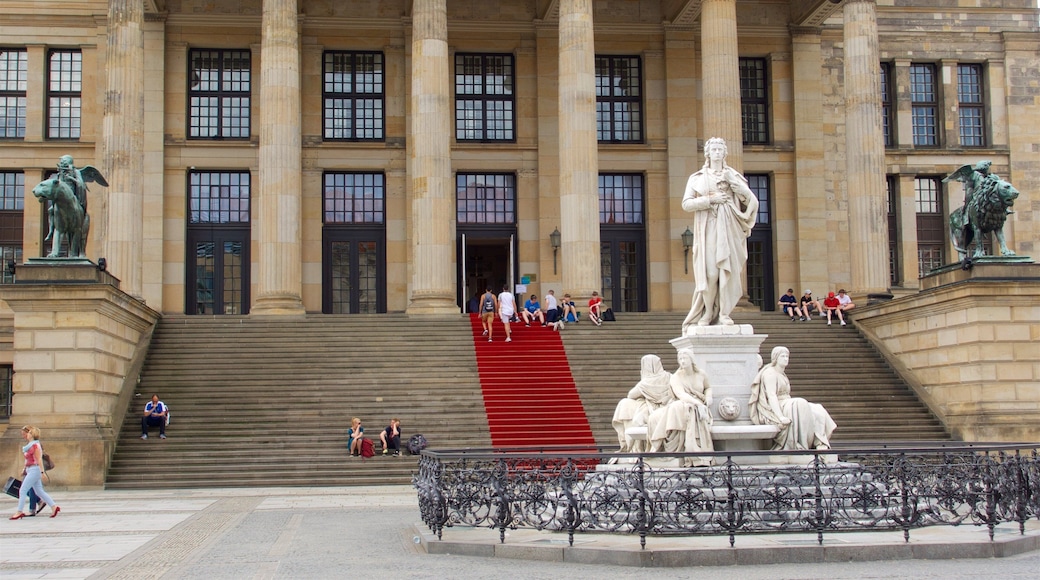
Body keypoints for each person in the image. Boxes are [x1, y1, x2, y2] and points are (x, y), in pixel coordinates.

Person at [680, 137, 759, 332]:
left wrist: (736, 186)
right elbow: (687, 204)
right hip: (708, 228)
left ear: (725, 153)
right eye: (713, 149)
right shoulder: (697, 177)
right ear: (707, 153)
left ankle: (724, 313)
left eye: (720, 149)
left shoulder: (733, 176)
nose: (716, 152)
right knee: (710, 273)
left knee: (727, 272)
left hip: (729, 226)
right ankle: (707, 312)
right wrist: (710, 199)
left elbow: (750, 200)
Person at [749, 346, 836, 451]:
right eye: (782, 356)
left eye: (787, 356)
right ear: (775, 358)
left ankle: (820, 442)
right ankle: (800, 445)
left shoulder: (782, 373)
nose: (786, 358)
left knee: (817, 408)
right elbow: (771, 396)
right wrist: (780, 417)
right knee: (800, 403)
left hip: (786, 402)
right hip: (776, 406)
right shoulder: (770, 373)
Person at [647, 348, 714, 466]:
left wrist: (709, 397)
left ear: (691, 359)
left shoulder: (701, 374)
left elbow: (708, 387)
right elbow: (680, 394)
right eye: (680, 359)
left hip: (698, 403)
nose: (682, 361)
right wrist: (697, 404)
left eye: (685, 358)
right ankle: (672, 450)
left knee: (680, 408)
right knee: (662, 414)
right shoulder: (676, 377)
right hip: (685, 402)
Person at [611, 354, 675, 454]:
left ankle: (631, 447)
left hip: (655, 409)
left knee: (625, 404)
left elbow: (631, 395)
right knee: (628, 405)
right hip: (666, 407)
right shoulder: (670, 377)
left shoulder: (646, 382)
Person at [10, 425, 59, 520]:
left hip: (35, 469)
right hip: (30, 469)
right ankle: (54, 506)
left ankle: (19, 511)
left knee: (23, 490)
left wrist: (42, 472)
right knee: (39, 491)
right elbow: (28, 459)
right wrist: (24, 468)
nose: (26, 435)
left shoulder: (35, 445)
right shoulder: (30, 445)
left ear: (32, 435)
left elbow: (39, 460)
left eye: (28, 433)